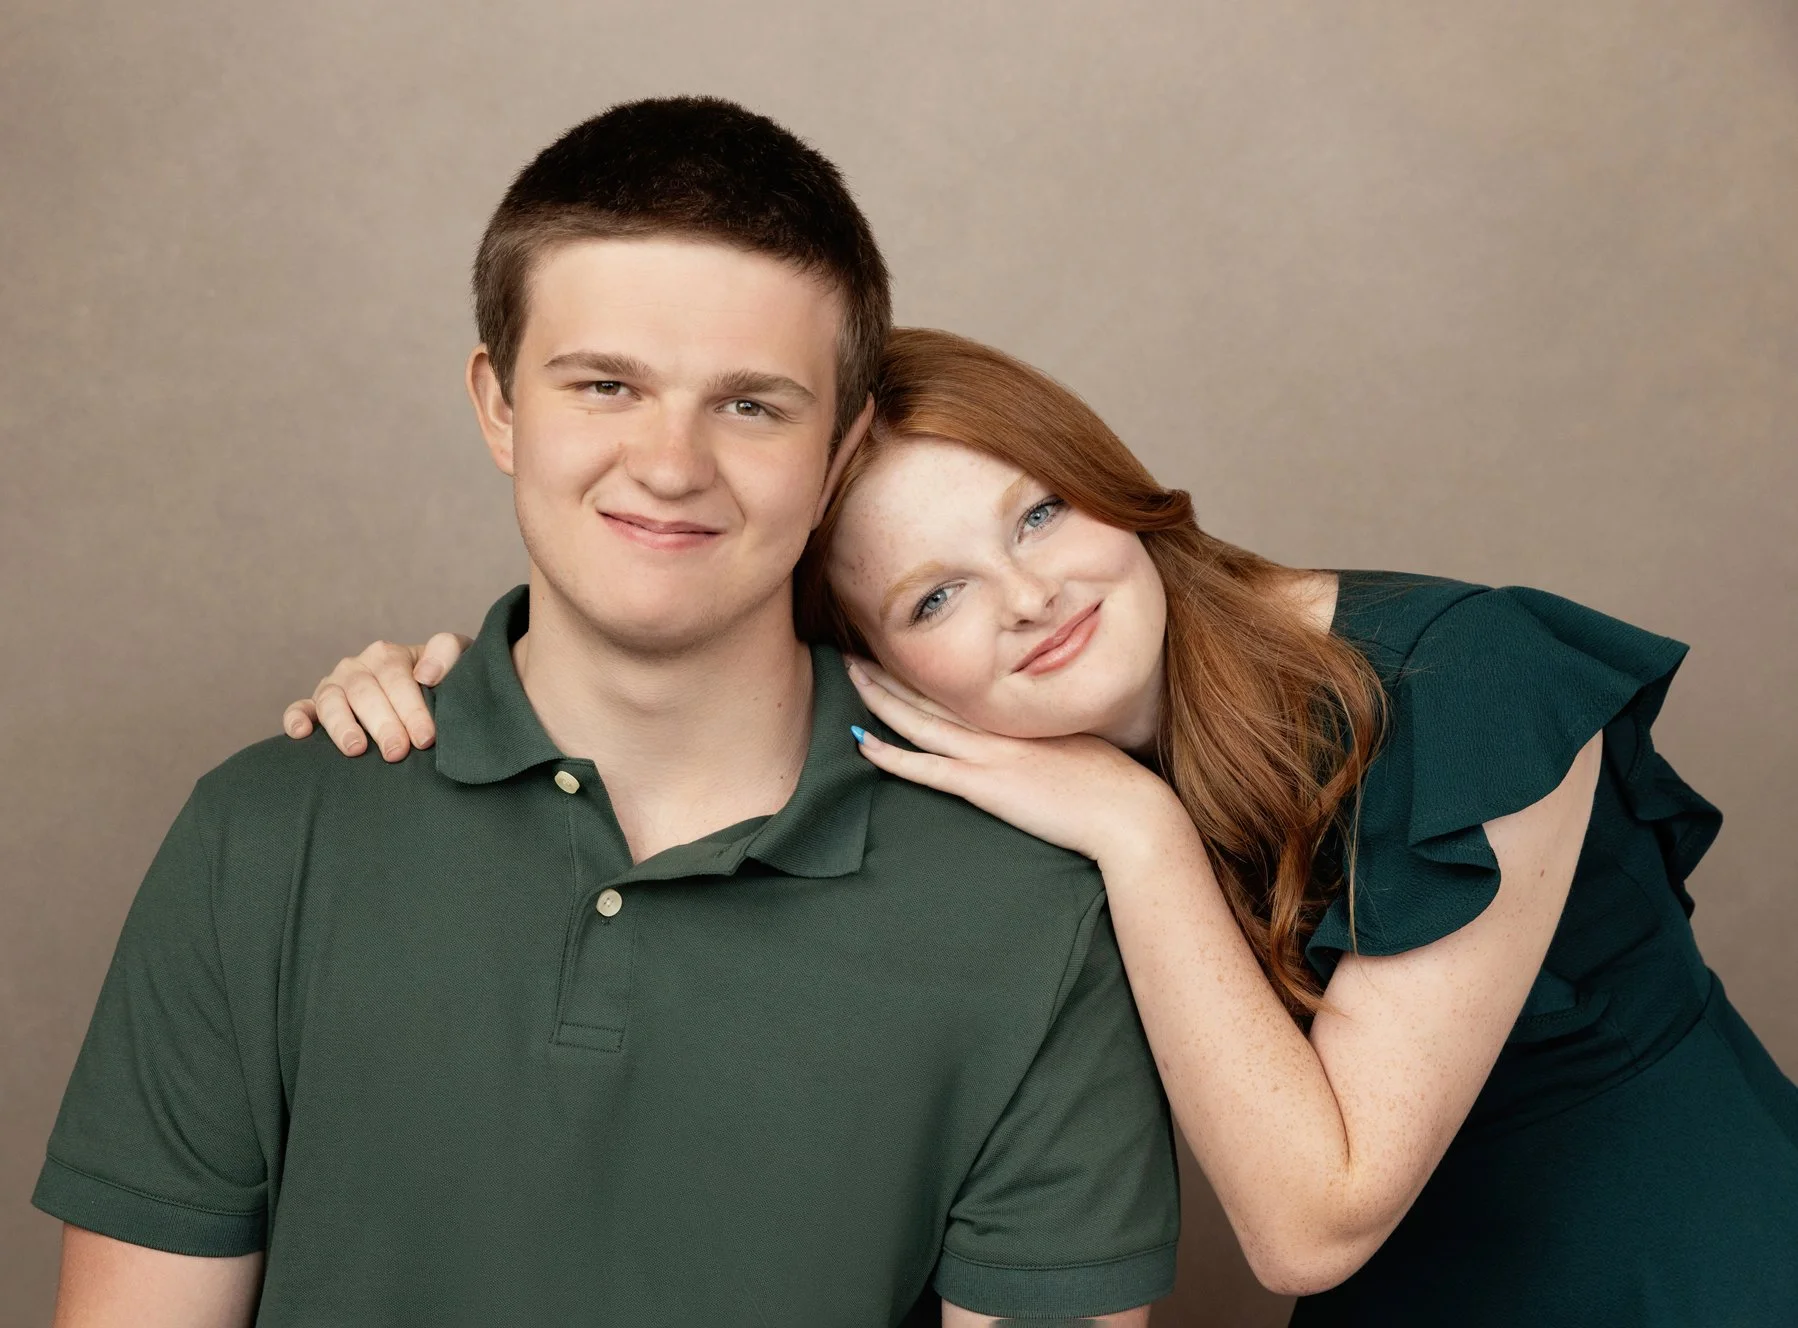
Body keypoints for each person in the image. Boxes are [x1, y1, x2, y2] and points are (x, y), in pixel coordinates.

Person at [303, 326, 1798, 1326]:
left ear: (1110, 490)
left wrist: (1137, 832)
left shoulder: (1464, 684)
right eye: (935, 595)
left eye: (1037, 514)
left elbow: (1314, 1220)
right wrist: (436, 697)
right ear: (871, 668)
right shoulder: (987, 776)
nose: (1030, 598)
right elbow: (668, 735)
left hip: (1694, 1266)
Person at [33, 101, 1183, 1327]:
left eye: (751, 404)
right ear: (498, 405)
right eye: (605, 385)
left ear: (840, 452)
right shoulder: (266, 836)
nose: (670, 463)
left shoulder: (1032, 910)